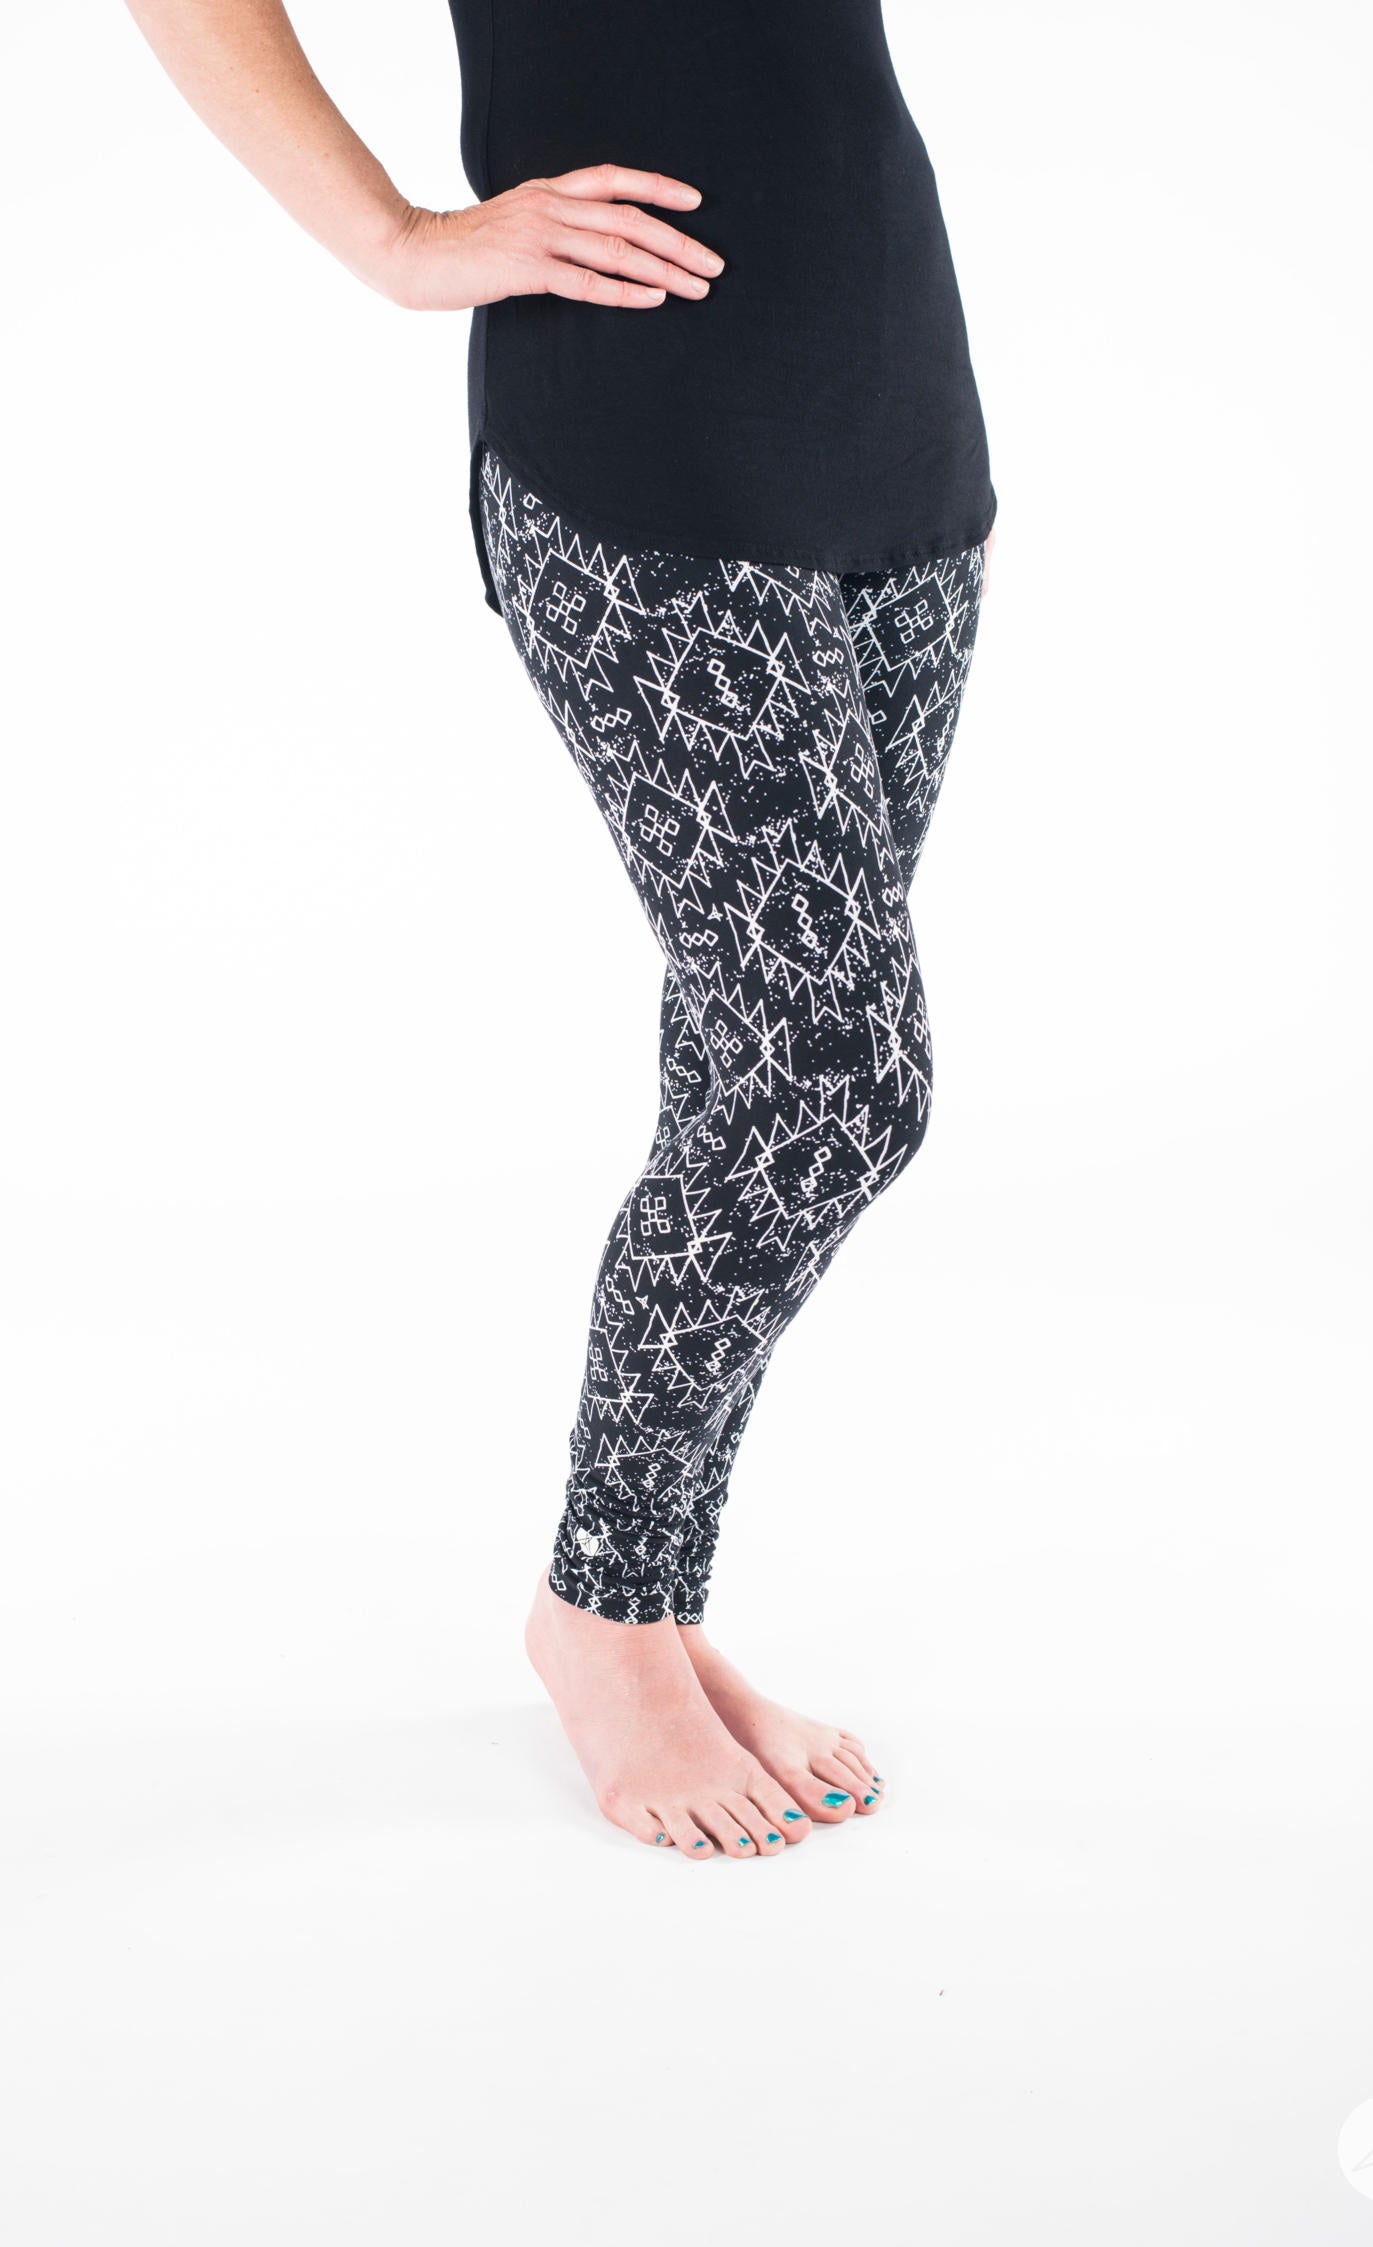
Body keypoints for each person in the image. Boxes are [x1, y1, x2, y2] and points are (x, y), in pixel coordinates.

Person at [125, 0, 997, 1860]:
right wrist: (393, 239)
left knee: (747, 1068)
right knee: (834, 1080)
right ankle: (598, 1612)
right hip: (640, 432)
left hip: (896, 395)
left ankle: (655, 1601)